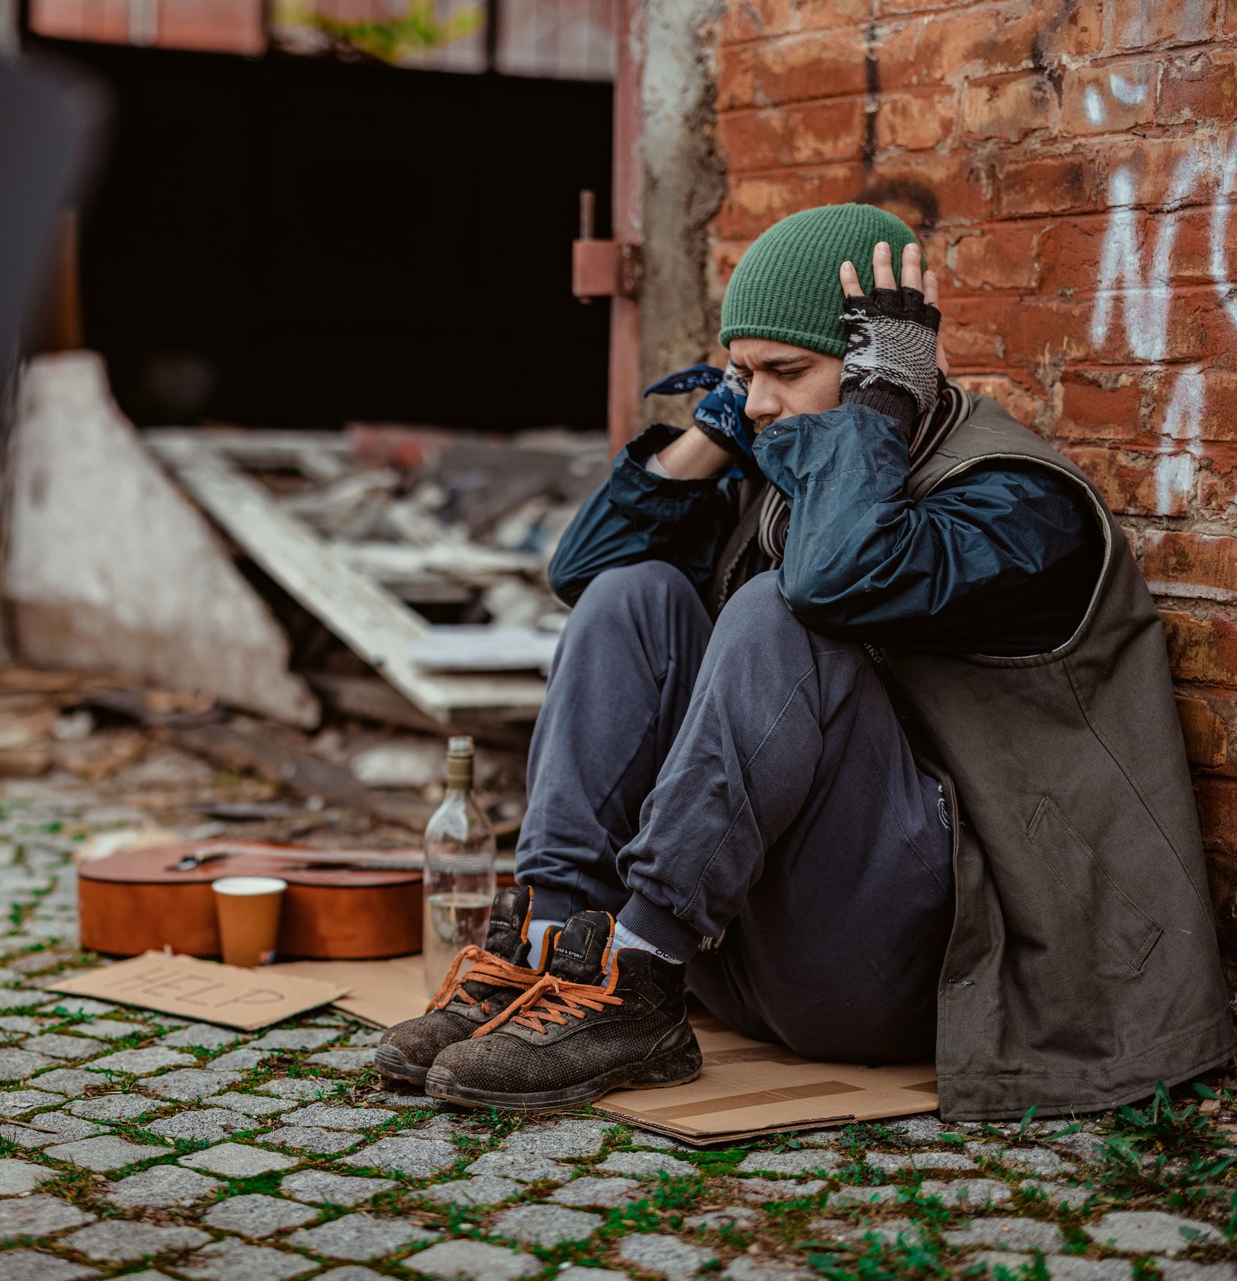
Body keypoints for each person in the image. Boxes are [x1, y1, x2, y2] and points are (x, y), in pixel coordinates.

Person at [378, 203, 1234, 1120]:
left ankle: (637, 975)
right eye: (744, 373)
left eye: (787, 371)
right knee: (638, 593)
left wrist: (874, 408)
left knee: (776, 614)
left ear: (883, 372)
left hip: (923, 973)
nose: (760, 403)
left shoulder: (1019, 505)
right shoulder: (791, 478)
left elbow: (830, 586)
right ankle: (559, 955)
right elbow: (582, 570)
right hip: (746, 955)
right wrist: (713, 430)